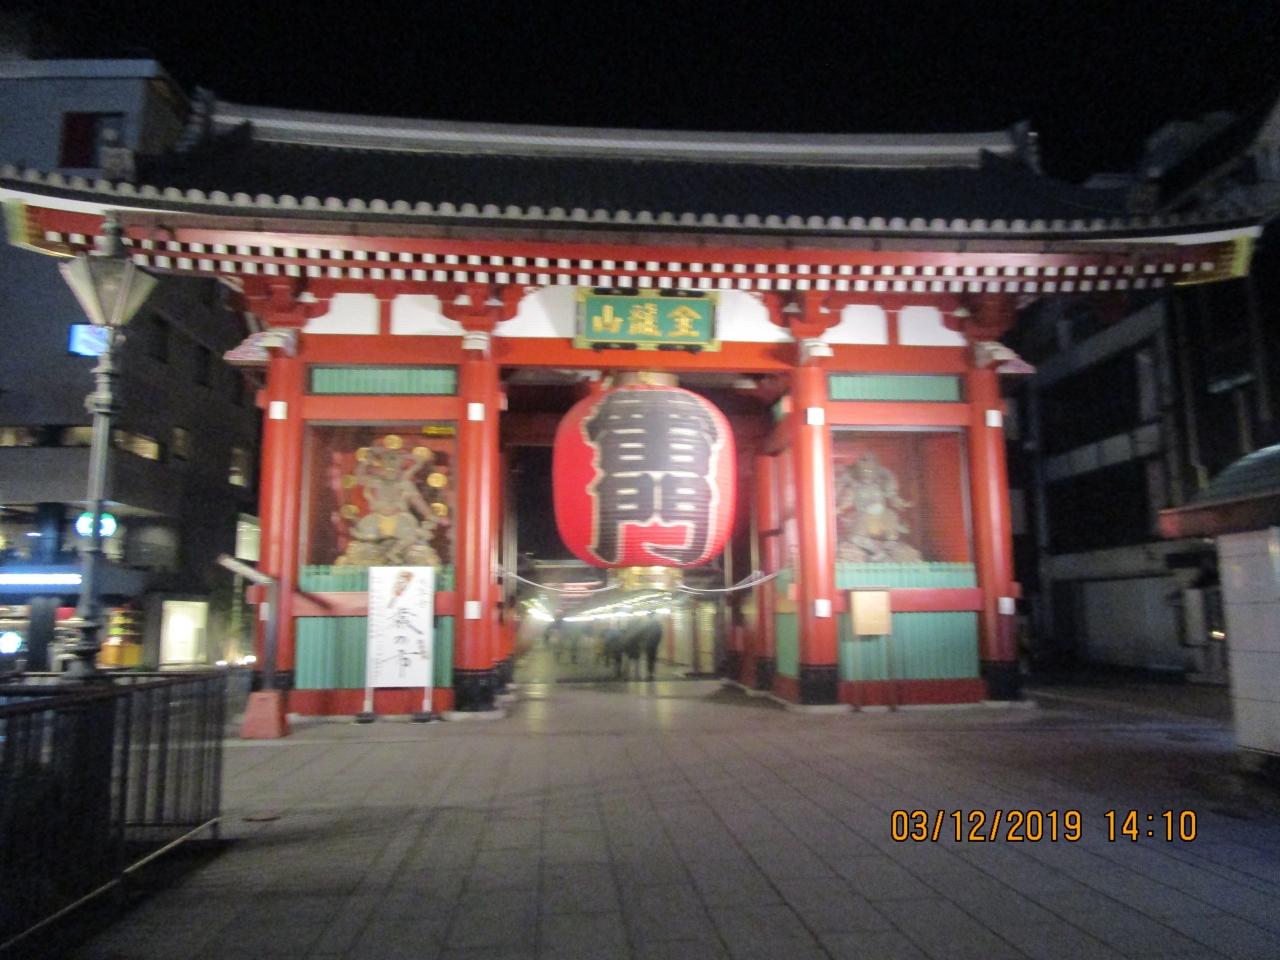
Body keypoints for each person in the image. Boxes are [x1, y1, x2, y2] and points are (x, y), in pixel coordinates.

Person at [636, 612, 663, 681]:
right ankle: (652, 673)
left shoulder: (646, 624)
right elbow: (660, 634)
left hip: (648, 644)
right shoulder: (657, 624)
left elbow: (642, 633)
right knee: (652, 658)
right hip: (654, 644)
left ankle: (649, 673)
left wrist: (642, 642)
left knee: (648, 658)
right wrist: (657, 642)